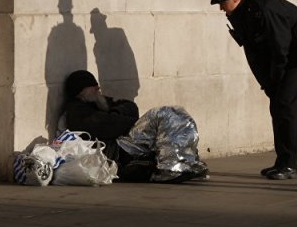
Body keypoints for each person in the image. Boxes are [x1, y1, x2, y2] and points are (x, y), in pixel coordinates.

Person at [210, 0, 297, 180]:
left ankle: (289, 165)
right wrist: (268, 82)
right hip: (277, 63)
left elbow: (281, 47)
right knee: (278, 108)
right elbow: (256, 52)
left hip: (291, 57)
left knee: (286, 108)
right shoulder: (243, 13)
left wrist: (277, 79)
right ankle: (283, 162)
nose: (221, 8)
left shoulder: (263, 9)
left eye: (222, 2)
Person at [62, 70, 208, 183]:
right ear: (82, 91)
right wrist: (125, 120)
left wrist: (114, 112)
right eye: (93, 87)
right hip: (118, 148)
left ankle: (184, 162)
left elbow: (129, 106)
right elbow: (107, 125)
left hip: (125, 138)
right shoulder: (77, 111)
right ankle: (169, 168)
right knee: (164, 114)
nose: (98, 88)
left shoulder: (99, 102)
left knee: (176, 112)